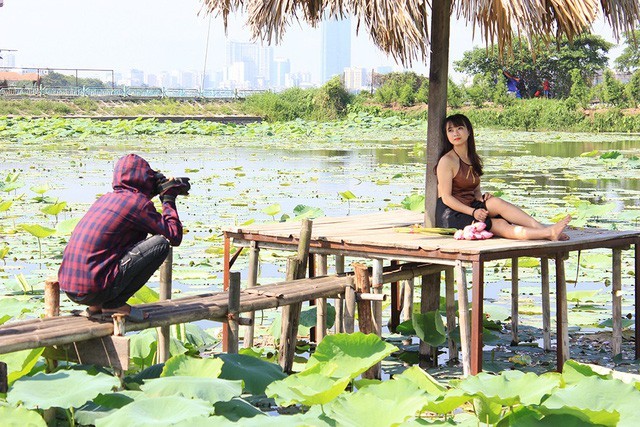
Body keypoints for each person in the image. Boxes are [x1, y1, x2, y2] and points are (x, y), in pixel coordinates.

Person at [58, 154, 188, 321]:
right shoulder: (137, 204)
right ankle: (115, 304)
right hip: (95, 289)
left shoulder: (105, 199)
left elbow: (134, 205)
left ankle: (96, 306)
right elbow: (174, 236)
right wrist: (168, 198)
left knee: (106, 252)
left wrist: (153, 191)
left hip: (72, 290)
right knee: (161, 244)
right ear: (143, 179)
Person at [435, 114, 571, 241]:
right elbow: (446, 197)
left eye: (460, 128)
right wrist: (474, 212)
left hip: (471, 205)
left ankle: (544, 229)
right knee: (498, 223)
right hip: (451, 214)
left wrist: (481, 198)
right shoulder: (447, 161)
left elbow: (475, 191)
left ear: (469, 131)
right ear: (447, 135)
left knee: (496, 202)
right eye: (450, 130)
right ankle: (548, 233)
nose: (455, 133)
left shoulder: (472, 158)